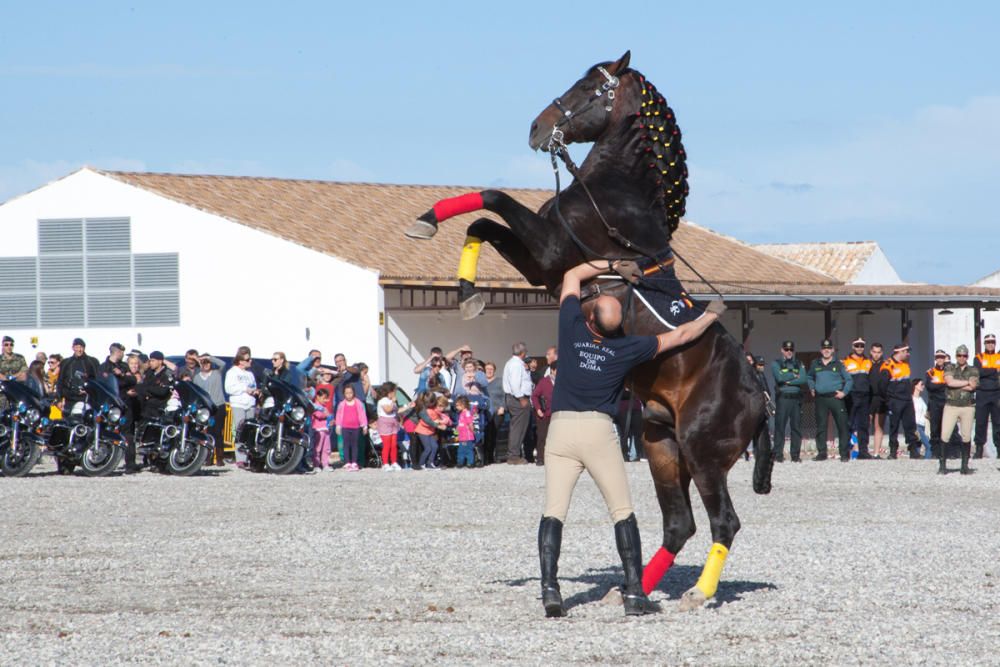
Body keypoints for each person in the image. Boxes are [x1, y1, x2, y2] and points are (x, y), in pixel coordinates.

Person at [537, 260, 724, 618]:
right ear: (617, 325)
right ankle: (636, 594)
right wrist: (709, 316)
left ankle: (550, 590)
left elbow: (571, 276)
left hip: (560, 431)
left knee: (554, 512)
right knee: (622, 512)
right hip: (597, 431)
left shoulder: (571, 327)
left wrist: (609, 265)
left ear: (590, 319)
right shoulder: (627, 348)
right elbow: (681, 336)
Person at [807, 339, 853, 462]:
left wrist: (844, 392)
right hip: (821, 398)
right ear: (821, 350)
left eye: (829, 348)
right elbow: (810, 376)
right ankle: (822, 453)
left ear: (832, 349)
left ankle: (844, 453)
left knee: (842, 426)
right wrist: (811, 387)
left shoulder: (838, 364)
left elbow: (849, 380)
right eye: (824, 348)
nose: (826, 350)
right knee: (821, 426)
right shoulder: (815, 364)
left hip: (835, 398)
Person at [877, 343, 921, 459]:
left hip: (907, 400)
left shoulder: (905, 365)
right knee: (894, 426)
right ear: (899, 352)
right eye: (906, 351)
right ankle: (893, 451)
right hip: (894, 401)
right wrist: (888, 400)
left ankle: (913, 450)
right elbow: (881, 386)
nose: (908, 354)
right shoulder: (887, 365)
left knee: (910, 426)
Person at [941, 345, 978, 475]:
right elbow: (949, 382)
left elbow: (973, 385)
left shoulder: (973, 369)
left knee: (966, 436)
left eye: (964, 355)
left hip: (967, 406)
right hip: (951, 405)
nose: (962, 358)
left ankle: (964, 466)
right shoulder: (950, 367)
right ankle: (942, 465)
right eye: (959, 355)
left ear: (967, 356)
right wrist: (965, 383)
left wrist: (958, 384)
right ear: (956, 356)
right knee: (945, 434)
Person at [771, 340, 807, 462]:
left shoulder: (799, 363)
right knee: (780, 427)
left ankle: (795, 455)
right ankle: (778, 455)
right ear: (782, 350)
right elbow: (779, 378)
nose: (789, 352)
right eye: (786, 349)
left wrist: (788, 381)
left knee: (796, 427)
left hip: (796, 400)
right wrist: (794, 376)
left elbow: (803, 379)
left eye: (791, 350)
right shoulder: (776, 363)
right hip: (783, 399)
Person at [193, 353, 227, 466]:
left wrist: (210, 358)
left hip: (219, 406)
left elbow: (223, 364)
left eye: (207, 362)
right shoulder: (197, 377)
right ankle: (208, 457)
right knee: (206, 433)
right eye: (203, 362)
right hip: (206, 408)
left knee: (218, 432)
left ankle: (220, 458)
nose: (205, 364)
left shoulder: (217, 374)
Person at [225, 351, 259, 466]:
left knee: (250, 430)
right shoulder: (232, 372)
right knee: (240, 429)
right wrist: (245, 389)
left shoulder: (250, 374)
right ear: (240, 361)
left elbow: (253, 386)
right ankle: (240, 458)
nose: (250, 361)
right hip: (238, 404)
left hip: (250, 404)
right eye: (248, 359)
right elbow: (229, 388)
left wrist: (255, 391)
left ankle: (249, 455)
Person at [842, 338, 874, 459]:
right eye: (857, 346)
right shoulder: (845, 361)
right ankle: (845, 450)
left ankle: (863, 451)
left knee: (863, 425)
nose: (859, 348)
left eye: (861, 346)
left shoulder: (868, 361)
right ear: (852, 347)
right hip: (852, 396)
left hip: (865, 396)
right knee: (849, 423)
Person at [502, 342, 533, 464]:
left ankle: (514, 454)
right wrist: (521, 398)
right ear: (523, 352)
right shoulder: (516, 365)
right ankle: (513, 456)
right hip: (517, 399)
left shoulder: (514, 363)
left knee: (518, 427)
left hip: (515, 398)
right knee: (518, 428)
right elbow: (515, 384)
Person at [973, 333, 1000, 459]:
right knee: (980, 422)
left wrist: (986, 372)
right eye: (988, 342)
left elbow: (984, 372)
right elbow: (978, 372)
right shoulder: (978, 357)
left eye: (992, 342)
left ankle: (999, 449)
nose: (990, 344)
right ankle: (979, 449)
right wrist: (995, 371)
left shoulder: (999, 356)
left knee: (998, 423)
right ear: (984, 344)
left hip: (997, 394)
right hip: (982, 393)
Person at [57, 338, 100, 416]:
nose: (79, 349)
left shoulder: (92, 362)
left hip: (86, 399)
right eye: (77, 347)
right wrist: (59, 399)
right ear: (73, 348)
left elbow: (97, 380)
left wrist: (89, 391)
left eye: (81, 347)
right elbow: (60, 381)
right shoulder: (66, 362)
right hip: (70, 399)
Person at [335, 384, 367, 471]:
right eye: (347, 393)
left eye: (350, 393)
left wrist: (364, 425)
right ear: (344, 394)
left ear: (353, 393)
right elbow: (338, 415)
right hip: (345, 427)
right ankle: (347, 462)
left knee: (354, 445)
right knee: (346, 445)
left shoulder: (358, 403)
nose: (349, 395)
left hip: (356, 427)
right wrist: (338, 426)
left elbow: (362, 415)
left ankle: (354, 462)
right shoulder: (341, 404)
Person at [531, 361, 556, 466]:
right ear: (553, 370)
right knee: (542, 436)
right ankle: (540, 458)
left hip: (557, 414)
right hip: (544, 414)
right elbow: (534, 396)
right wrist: (538, 409)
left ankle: (554, 458)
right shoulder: (544, 381)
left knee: (556, 437)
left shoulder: (563, 382)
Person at [925, 350, 948, 460]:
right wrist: (943, 385)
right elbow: (930, 387)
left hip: (946, 402)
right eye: (938, 357)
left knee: (946, 428)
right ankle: (935, 451)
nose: (940, 359)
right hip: (934, 403)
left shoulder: (948, 371)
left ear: (944, 359)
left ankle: (946, 452)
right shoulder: (930, 372)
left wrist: (938, 386)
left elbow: (949, 386)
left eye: (942, 357)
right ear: (935, 358)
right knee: (934, 428)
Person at [376, 382, 404, 471]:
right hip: (385, 423)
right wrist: (393, 401)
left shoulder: (391, 401)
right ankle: (385, 463)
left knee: (393, 444)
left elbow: (397, 410)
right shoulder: (383, 400)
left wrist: (408, 407)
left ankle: (394, 462)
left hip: (393, 423)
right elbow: (388, 410)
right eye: (394, 391)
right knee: (387, 445)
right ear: (390, 392)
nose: (395, 393)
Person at [867, 343, 888, 458]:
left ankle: (876, 453)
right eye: (874, 352)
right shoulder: (866, 363)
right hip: (868, 398)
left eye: (879, 352)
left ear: (882, 353)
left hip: (881, 399)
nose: (876, 354)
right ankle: (862, 451)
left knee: (879, 426)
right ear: (871, 352)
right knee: (865, 424)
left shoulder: (885, 365)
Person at [484, 361, 505, 464]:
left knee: (494, 434)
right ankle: (485, 456)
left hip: (497, 411)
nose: (489, 371)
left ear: (494, 370)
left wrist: (503, 407)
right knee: (485, 434)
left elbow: (505, 395)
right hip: (485, 412)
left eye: (491, 369)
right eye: (487, 369)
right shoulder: (482, 382)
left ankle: (494, 456)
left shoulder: (500, 381)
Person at [311, 388, 333, 471]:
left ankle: (325, 464)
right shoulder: (314, 406)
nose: (326, 400)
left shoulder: (324, 407)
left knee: (326, 448)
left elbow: (328, 417)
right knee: (317, 448)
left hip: (326, 430)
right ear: (318, 397)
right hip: (318, 430)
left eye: (327, 398)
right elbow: (318, 415)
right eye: (324, 398)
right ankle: (316, 464)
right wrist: (327, 415)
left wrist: (331, 420)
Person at [454, 395, 476, 468]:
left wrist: (472, 430)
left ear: (463, 405)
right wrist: (457, 429)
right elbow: (460, 423)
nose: (456, 407)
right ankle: (460, 462)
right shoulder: (461, 414)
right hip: (462, 436)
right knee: (461, 450)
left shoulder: (467, 413)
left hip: (467, 436)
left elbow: (470, 423)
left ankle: (470, 462)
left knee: (468, 450)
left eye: (458, 405)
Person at [912, 378, 931, 458]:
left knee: (917, 447)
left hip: (923, 425)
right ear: (915, 386)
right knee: (929, 446)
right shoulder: (912, 399)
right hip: (916, 426)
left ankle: (915, 463)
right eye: (921, 384)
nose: (923, 386)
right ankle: (926, 463)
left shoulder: (921, 399)